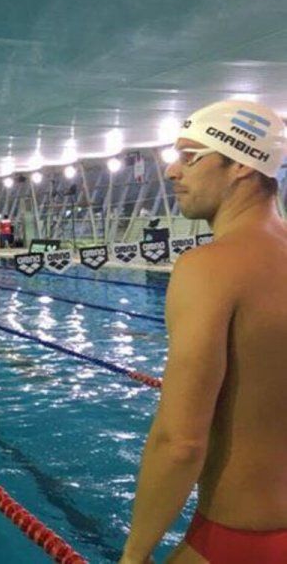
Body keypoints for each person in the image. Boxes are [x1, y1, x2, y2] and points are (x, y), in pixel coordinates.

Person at [121, 100, 287, 563]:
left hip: (244, 541)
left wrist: (134, 556)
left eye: (191, 157)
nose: (173, 172)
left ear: (239, 165)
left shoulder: (210, 268)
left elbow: (181, 442)